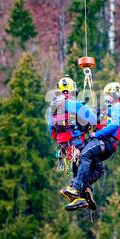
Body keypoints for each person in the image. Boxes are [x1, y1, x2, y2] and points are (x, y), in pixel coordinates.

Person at [63, 82, 120, 211]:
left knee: (85, 155)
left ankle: (75, 187)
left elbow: (113, 126)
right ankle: (83, 193)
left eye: (108, 95)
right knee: (95, 168)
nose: (106, 98)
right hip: (104, 143)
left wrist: (96, 134)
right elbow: (99, 120)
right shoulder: (110, 110)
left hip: (105, 141)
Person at [48, 75, 99, 210]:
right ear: (71, 92)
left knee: (80, 169)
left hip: (65, 151)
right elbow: (93, 119)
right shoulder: (75, 104)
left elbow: (51, 132)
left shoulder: (52, 109)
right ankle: (78, 188)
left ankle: (81, 196)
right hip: (78, 144)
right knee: (98, 168)